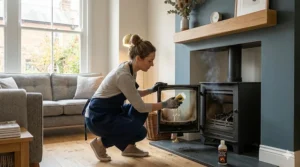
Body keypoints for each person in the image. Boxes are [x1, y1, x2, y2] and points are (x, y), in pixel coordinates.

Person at [84, 34, 182, 162]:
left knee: (139, 115)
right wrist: (165, 104)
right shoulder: (123, 75)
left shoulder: (131, 68)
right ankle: (100, 143)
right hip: (98, 117)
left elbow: (133, 94)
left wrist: (151, 89)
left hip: (111, 111)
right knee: (140, 131)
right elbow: (140, 106)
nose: (152, 64)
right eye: (150, 60)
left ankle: (128, 148)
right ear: (138, 59)